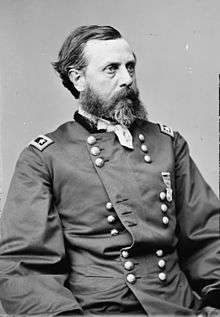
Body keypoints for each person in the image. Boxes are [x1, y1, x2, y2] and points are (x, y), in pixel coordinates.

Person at [0, 25, 219, 316]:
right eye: (111, 69)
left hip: (177, 307)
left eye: (130, 67)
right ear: (78, 79)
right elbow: (25, 265)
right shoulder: (44, 157)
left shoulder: (168, 143)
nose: (127, 79)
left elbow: (208, 235)